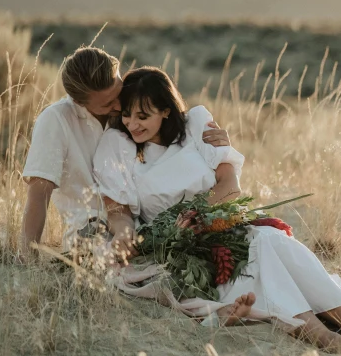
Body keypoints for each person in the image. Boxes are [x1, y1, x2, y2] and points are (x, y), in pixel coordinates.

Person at [93, 67, 341, 352]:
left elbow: (230, 186)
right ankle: (325, 338)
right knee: (258, 256)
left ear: (167, 111)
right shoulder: (120, 146)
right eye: (126, 115)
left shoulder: (195, 126)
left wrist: (199, 215)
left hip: (222, 222)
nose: (132, 124)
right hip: (181, 243)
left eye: (143, 116)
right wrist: (124, 236)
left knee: (272, 241)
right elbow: (118, 210)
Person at [20, 47, 231, 256]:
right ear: (79, 102)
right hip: (95, 228)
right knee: (120, 265)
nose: (120, 106)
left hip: (143, 225)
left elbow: (162, 117)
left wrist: (212, 144)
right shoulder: (56, 120)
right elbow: (39, 193)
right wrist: (27, 258)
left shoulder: (127, 112)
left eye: (118, 92)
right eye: (107, 104)